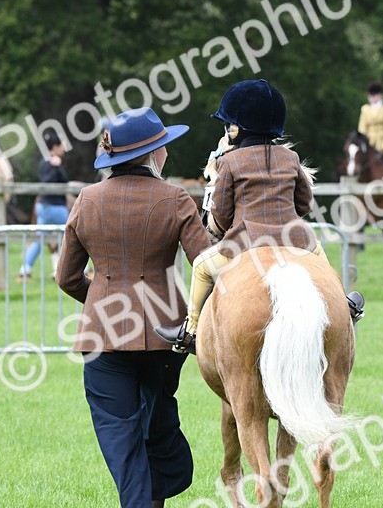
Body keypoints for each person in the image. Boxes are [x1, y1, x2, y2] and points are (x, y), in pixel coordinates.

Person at [56, 106, 211, 508]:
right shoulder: (176, 199)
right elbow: (206, 265)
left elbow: (67, 278)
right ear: (153, 153)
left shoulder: (86, 200)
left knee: (119, 432)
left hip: (103, 337)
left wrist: (105, 302)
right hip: (166, 334)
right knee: (155, 421)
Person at [155, 79, 364, 355]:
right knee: (320, 258)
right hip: (294, 240)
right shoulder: (291, 157)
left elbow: (221, 213)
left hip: (246, 243)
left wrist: (219, 226)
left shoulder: (228, 162)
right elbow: (303, 203)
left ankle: (190, 330)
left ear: (237, 128)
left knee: (203, 267)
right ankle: (343, 303)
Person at [17, 135, 70, 279]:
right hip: (55, 207)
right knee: (72, 236)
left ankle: (24, 270)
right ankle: (82, 271)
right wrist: (57, 167)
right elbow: (52, 182)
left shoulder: (43, 162)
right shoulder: (52, 164)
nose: (64, 148)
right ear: (54, 147)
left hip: (43, 207)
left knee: (39, 240)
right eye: (61, 145)